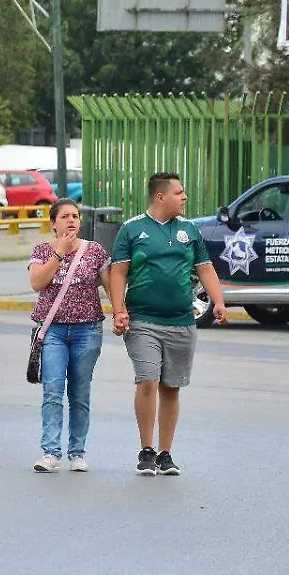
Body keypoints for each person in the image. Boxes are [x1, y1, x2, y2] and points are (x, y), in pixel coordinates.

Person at [107, 172, 228, 476]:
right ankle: (146, 450)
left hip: (181, 320)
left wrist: (220, 301)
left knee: (171, 387)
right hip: (143, 319)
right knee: (148, 380)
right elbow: (118, 272)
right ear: (160, 197)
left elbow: (205, 268)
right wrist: (119, 309)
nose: (184, 197)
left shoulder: (190, 230)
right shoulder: (133, 229)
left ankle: (165, 453)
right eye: (179, 192)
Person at [28, 199, 112, 473]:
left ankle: (77, 453)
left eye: (75, 216)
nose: (71, 220)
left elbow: (112, 286)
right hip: (53, 330)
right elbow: (37, 283)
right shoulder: (42, 250)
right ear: (53, 223)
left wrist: (122, 312)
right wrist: (59, 253)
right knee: (52, 391)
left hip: (87, 330)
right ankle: (51, 452)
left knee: (79, 391)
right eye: (64, 216)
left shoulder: (94, 251)